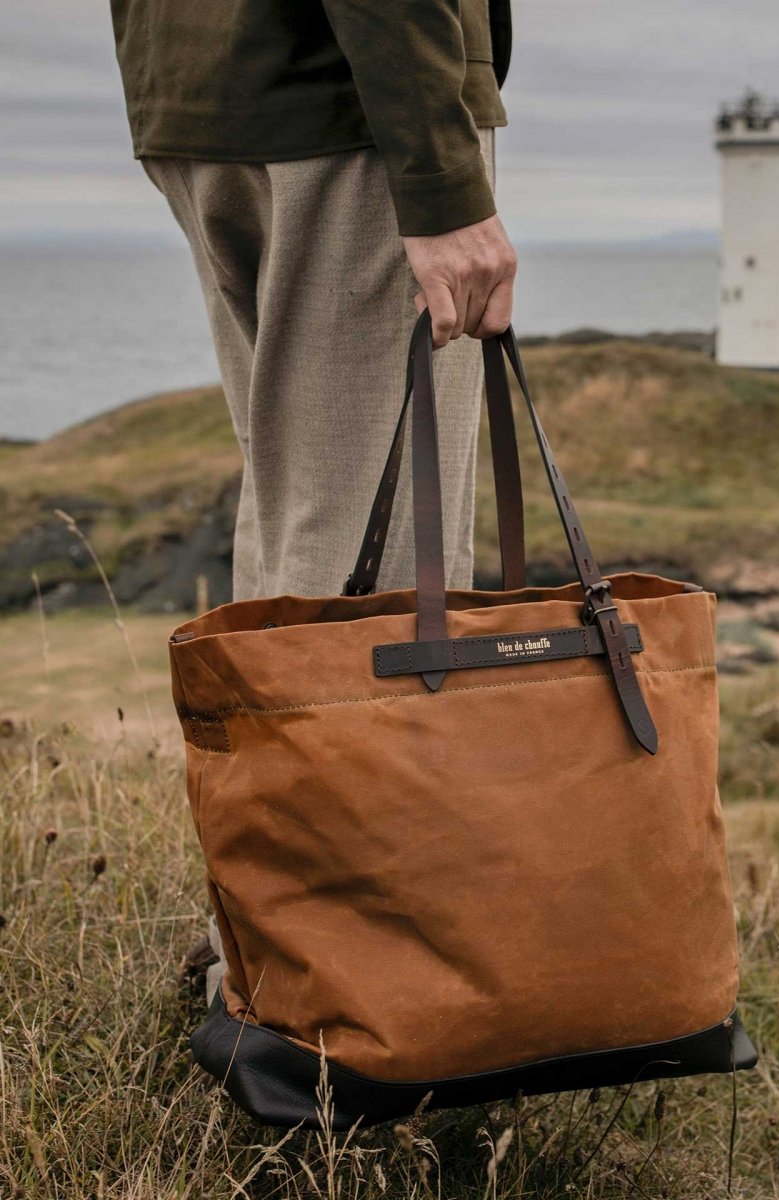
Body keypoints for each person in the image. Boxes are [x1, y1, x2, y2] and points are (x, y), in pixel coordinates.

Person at [108, 0, 517, 997]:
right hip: (351, 95)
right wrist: (439, 173)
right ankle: (333, 1009)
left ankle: (260, 954)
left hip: (203, 83)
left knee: (299, 549)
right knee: (364, 601)